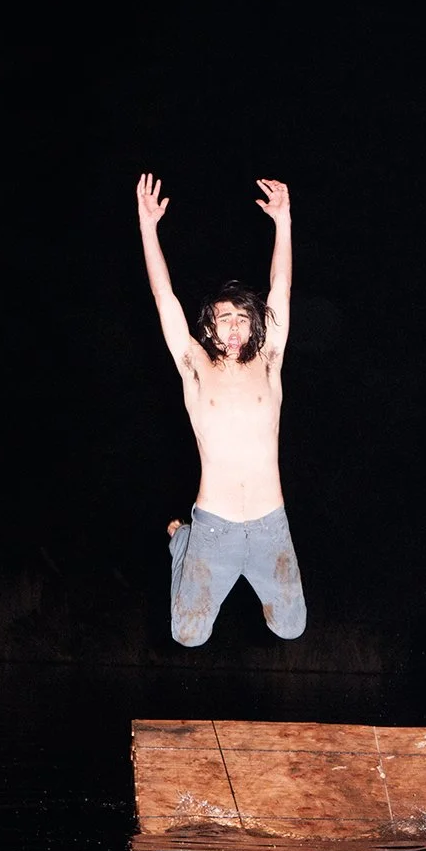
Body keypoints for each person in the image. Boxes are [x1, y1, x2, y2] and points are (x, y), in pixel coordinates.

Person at [136, 173, 305, 647]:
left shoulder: (269, 361)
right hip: (213, 526)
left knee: (291, 627)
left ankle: (189, 546)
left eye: (241, 319)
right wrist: (149, 229)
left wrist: (284, 222)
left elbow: (282, 290)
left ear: (253, 327)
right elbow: (163, 299)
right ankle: (181, 543)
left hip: (271, 522)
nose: (233, 328)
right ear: (209, 329)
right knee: (187, 635)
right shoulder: (195, 368)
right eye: (224, 319)